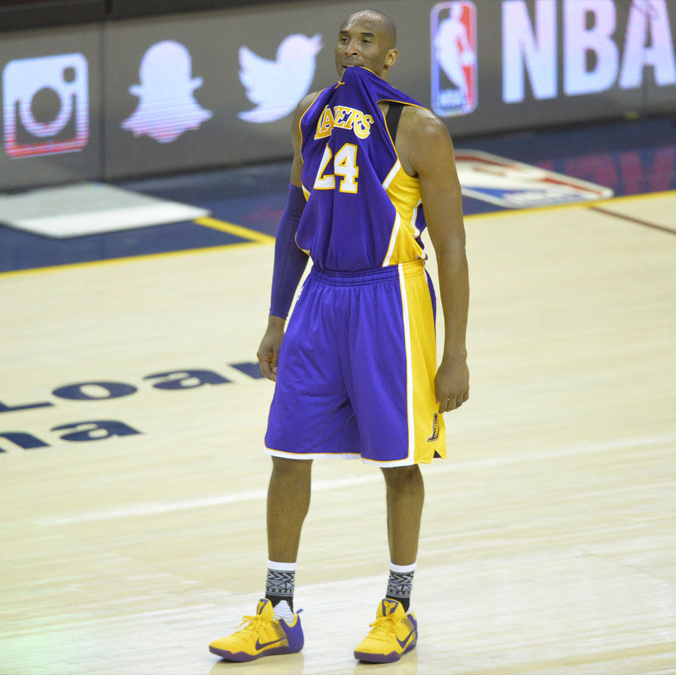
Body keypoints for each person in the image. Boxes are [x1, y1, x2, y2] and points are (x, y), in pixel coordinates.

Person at [208, 8, 469, 664]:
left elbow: (453, 245)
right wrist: (276, 315)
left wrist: (455, 352)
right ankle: (278, 608)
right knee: (286, 449)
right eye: (343, 39)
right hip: (321, 295)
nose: (350, 49)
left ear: (389, 59)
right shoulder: (311, 113)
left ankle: (397, 607)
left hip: (391, 297)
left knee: (398, 460)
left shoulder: (420, 130)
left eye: (366, 41)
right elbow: (296, 210)